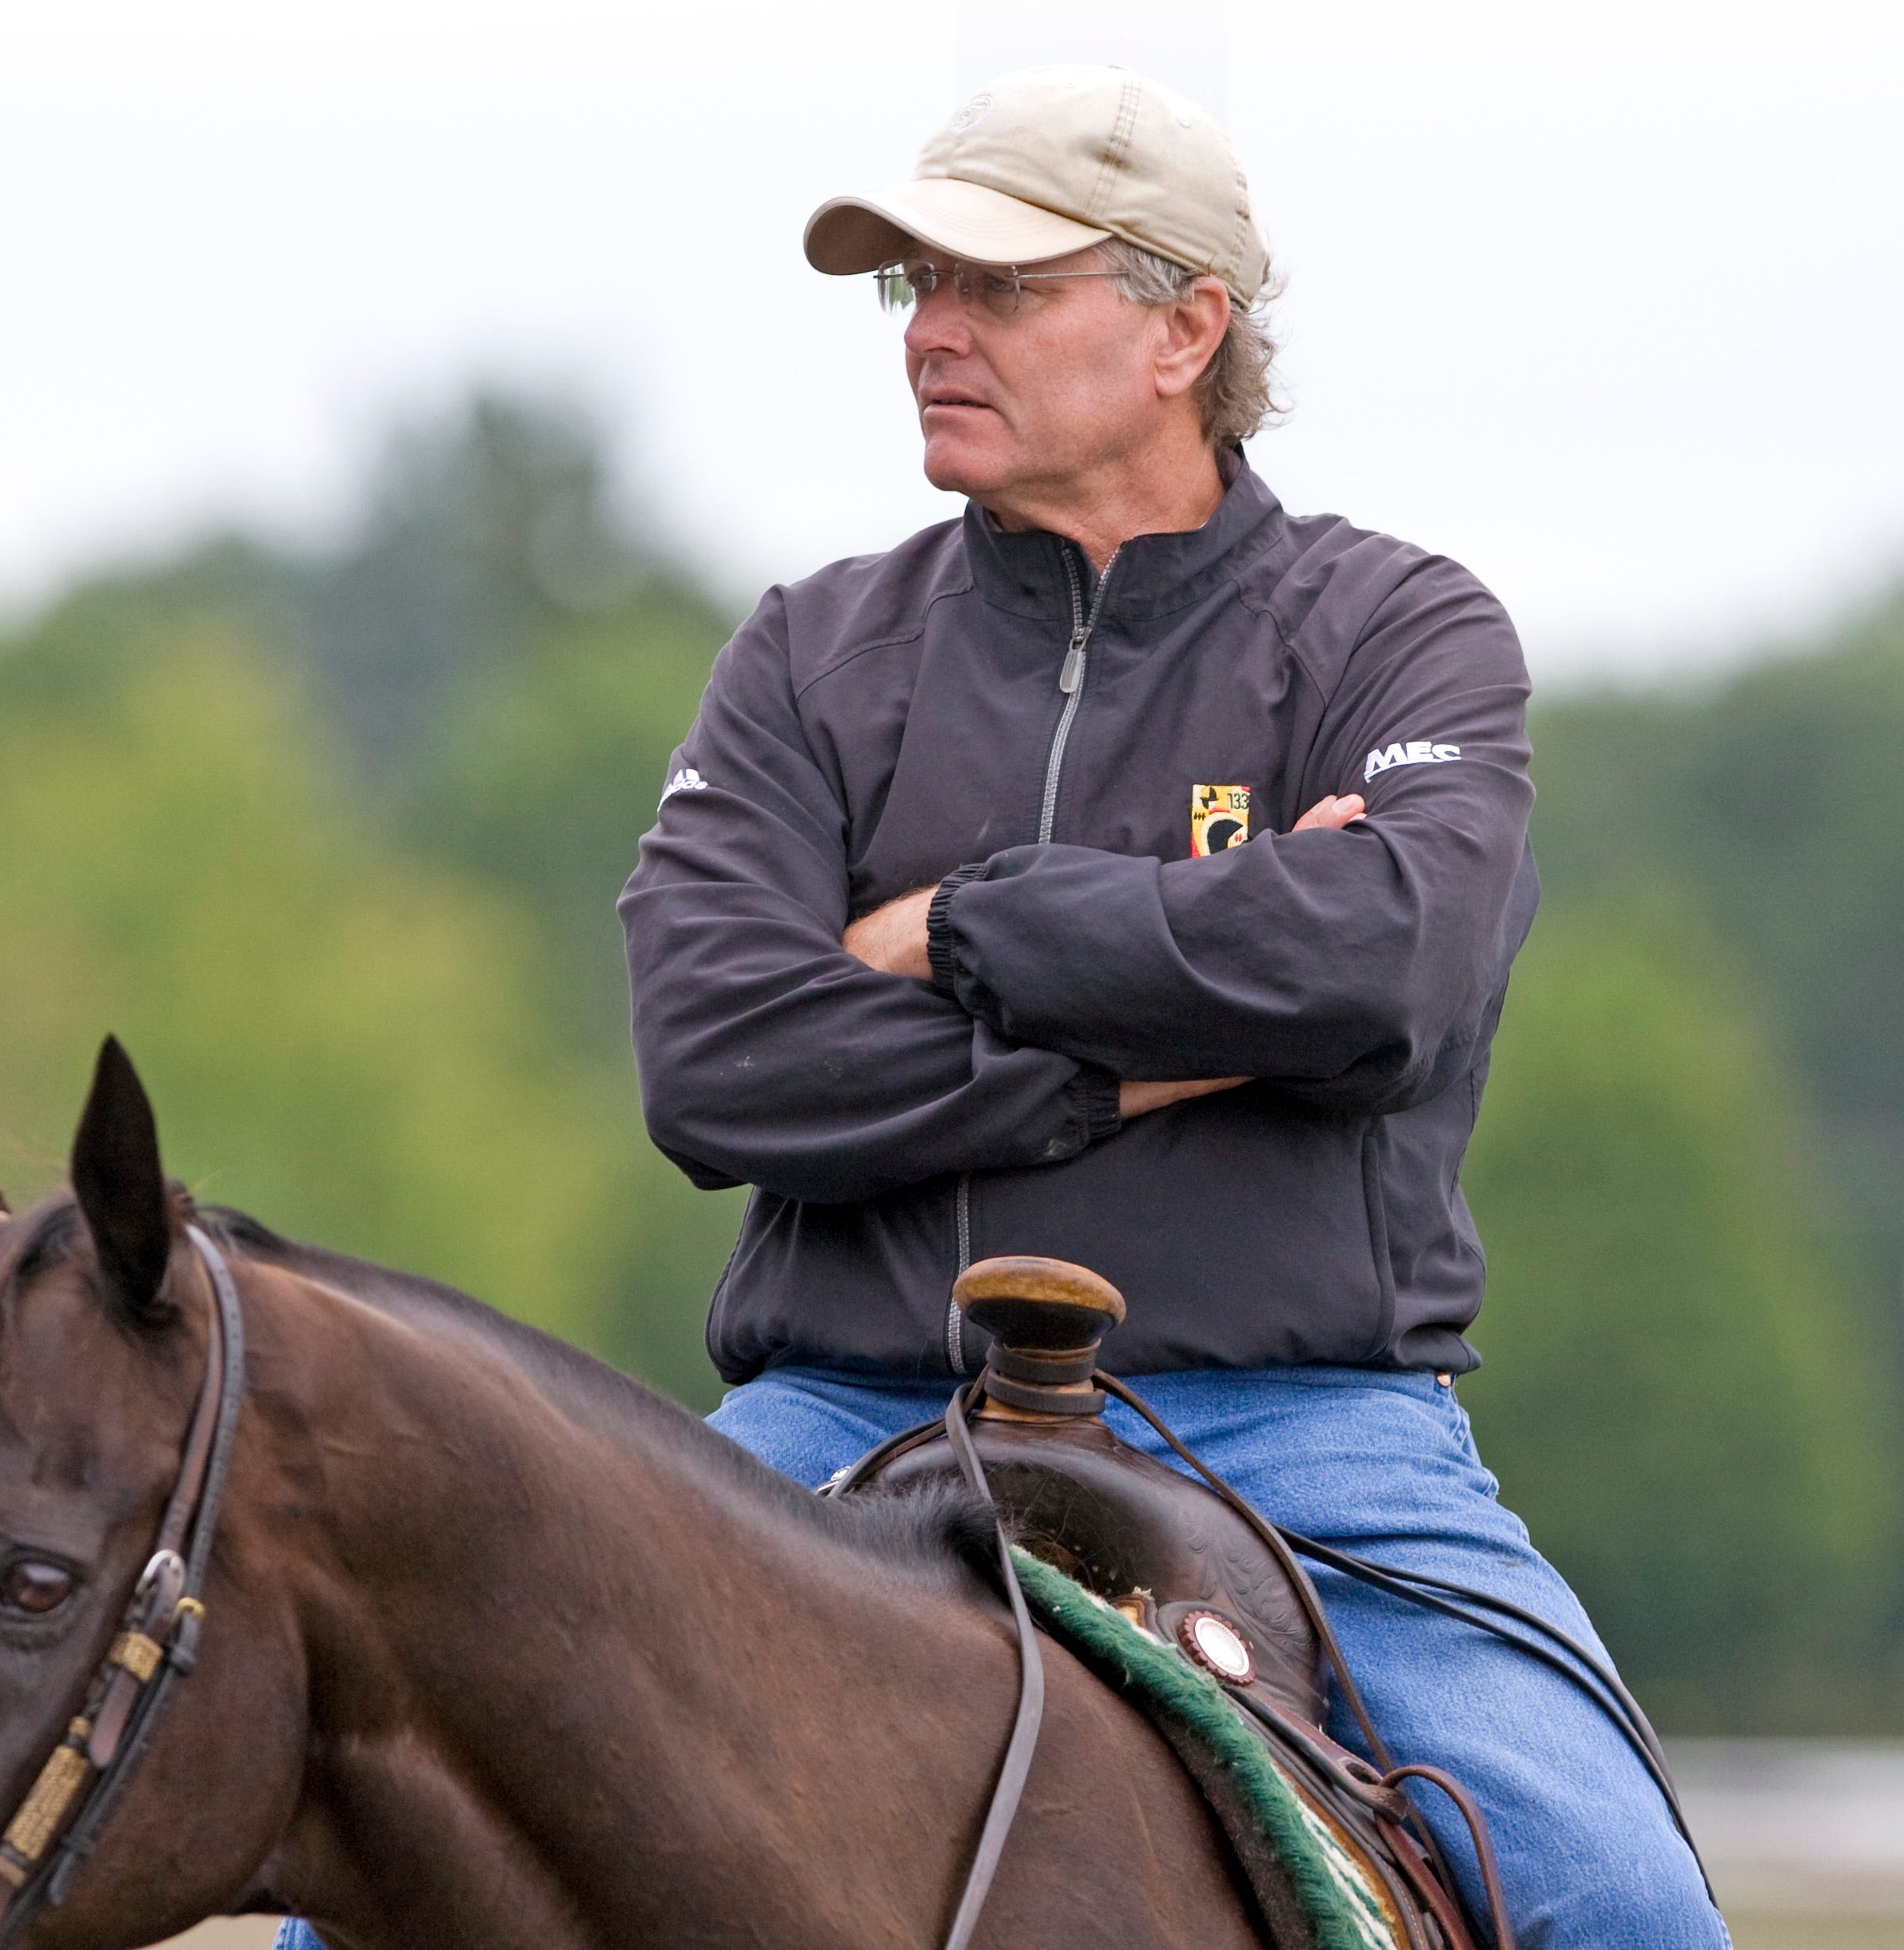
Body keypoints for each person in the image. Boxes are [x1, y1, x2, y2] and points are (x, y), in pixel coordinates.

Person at [617, 64, 1727, 1948]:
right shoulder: (808, 651)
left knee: (1623, 1909)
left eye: (996, 289)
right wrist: (1170, 1049)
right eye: (914, 291)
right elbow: (722, 1062)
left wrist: (951, 920)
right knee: (404, 1810)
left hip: (1306, 1429)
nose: (929, 337)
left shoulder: (1397, 627)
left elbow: (1389, 962)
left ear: (1182, 328)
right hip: (834, 1408)